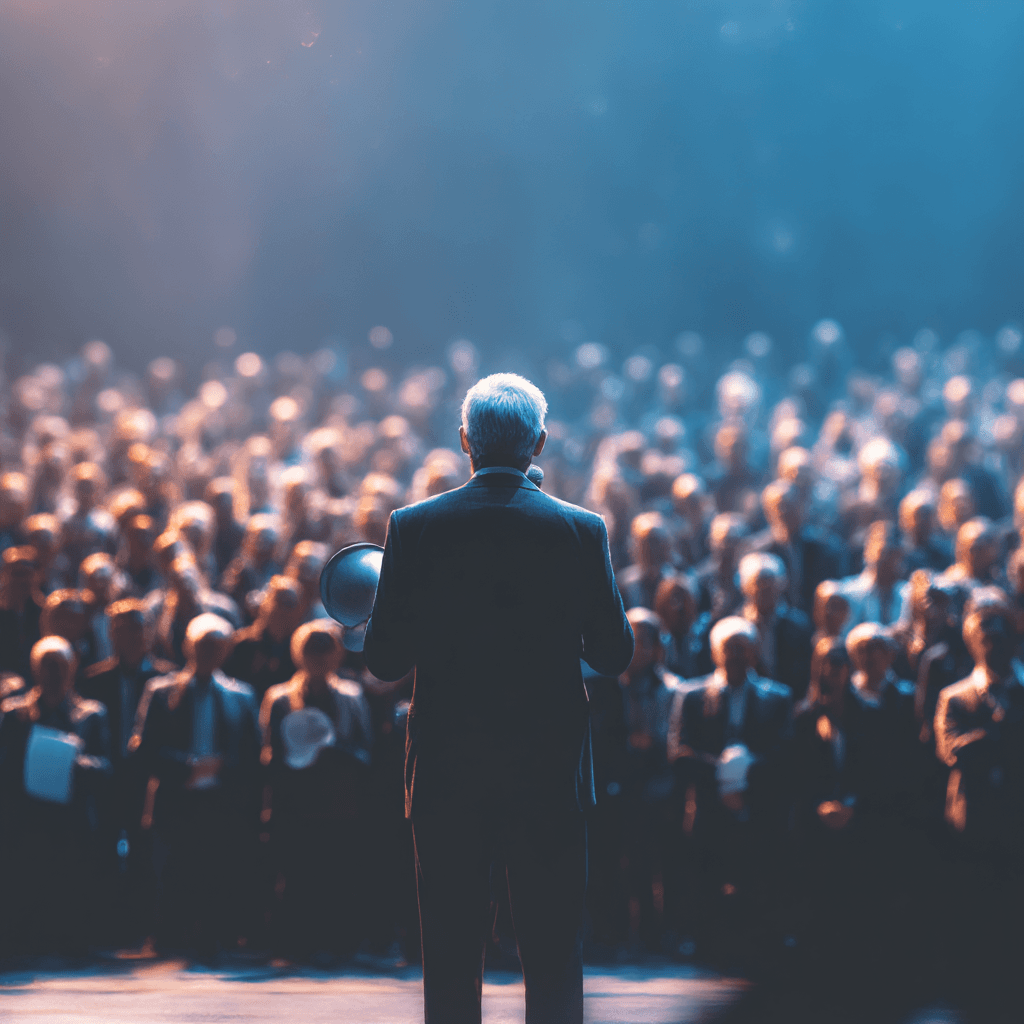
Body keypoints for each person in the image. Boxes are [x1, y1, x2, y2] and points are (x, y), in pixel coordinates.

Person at [363, 373, 634, 1024]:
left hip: (448, 775)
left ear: (464, 441)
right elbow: (613, 654)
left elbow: (385, 661)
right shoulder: (580, 529)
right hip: (548, 773)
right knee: (552, 955)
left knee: (451, 956)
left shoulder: (413, 527)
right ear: (538, 443)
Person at [130, 613, 261, 961]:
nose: (208, 653)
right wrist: (183, 766)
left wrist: (223, 768)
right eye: (202, 646)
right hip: (177, 796)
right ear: (188, 646)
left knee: (217, 869)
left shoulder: (241, 696)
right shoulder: (160, 691)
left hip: (221, 799)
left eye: (216, 647)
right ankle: (169, 937)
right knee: (174, 869)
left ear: (227, 651)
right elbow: (143, 749)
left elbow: (252, 754)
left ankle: (215, 937)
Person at [260, 620, 372, 960]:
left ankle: (338, 944)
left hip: (339, 805)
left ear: (337, 655)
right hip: (295, 804)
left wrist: (334, 753)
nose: (320, 658)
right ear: (299, 654)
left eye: (327, 650)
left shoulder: (352, 699)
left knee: (337, 877)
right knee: (296, 876)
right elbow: (267, 754)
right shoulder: (279, 699)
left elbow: (366, 751)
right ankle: (296, 944)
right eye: (313, 650)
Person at [0, 636, 112, 955]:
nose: (54, 674)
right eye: (47, 666)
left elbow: (106, 766)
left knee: (70, 883)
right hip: (29, 818)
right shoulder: (15, 713)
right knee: (30, 882)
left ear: (72, 668)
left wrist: (75, 762)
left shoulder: (91, 714)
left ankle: (70, 943)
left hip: (72, 819)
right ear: (35, 670)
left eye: (60, 666)